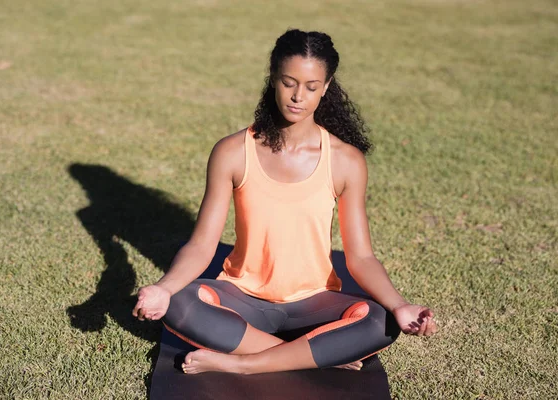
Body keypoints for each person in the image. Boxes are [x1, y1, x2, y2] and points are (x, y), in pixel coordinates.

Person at [132, 29, 437, 375]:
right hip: (243, 297)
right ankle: (312, 357)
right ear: (273, 78)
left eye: (311, 86)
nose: (298, 96)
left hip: (314, 301)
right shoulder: (232, 152)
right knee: (180, 303)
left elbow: (362, 257)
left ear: (326, 86)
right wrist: (163, 288)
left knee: (381, 321)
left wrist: (400, 305)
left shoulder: (345, 161)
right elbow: (202, 245)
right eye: (289, 82)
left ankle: (243, 366)